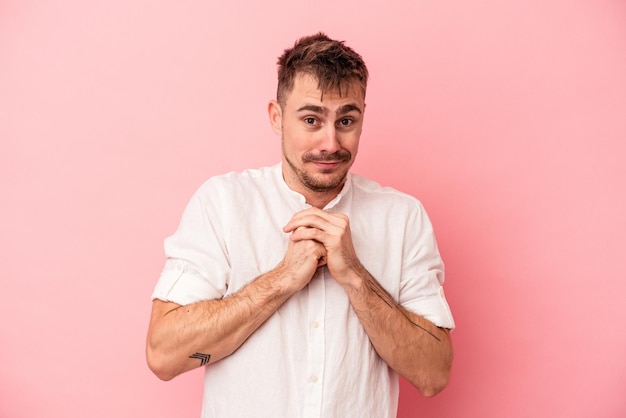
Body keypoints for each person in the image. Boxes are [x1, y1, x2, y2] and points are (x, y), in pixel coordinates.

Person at [146, 32, 455, 418]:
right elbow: (164, 356)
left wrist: (356, 277)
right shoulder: (223, 205)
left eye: (346, 120)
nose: (330, 143)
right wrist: (282, 279)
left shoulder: (403, 218)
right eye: (311, 119)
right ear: (276, 117)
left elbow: (433, 375)